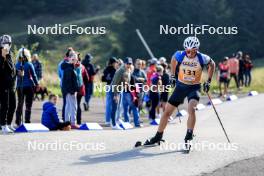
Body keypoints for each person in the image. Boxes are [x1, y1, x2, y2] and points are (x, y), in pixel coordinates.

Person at [143, 36, 215, 146]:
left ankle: (189, 136)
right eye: (187, 51)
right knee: (167, 112)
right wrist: (172, 76)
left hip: (194, 87)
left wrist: (208, 81)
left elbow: (212, 64)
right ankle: (158, 136)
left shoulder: (202, 57)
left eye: (192, 51)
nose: (189, 53)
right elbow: (173, 59)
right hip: (181, 87)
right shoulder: (180, 54)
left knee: (192, 109)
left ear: (196, 49)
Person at [15, 48, 39, 125]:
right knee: (28, 105)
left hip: (19, 86)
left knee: (20, 104)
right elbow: (34, 75)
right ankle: (27, 121)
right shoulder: (29, 64)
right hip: (29, 86)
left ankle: (18, 121)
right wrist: (37, 84)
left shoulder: (16, 64)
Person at [110, 57, 133, 130]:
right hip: (114, 90)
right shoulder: (121, 70)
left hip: (120, 90)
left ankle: (117, 120)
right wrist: (115, 94)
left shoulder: (128, 70)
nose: (129, 65)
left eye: (130, 63)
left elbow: (126, 81)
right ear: (125, 63)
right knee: (114, 107)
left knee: (119, 107)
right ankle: (113, 124)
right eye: (127, 63)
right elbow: (115, 83)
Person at [0, 35, 16, 133]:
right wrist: (2, 57)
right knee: (4, 105)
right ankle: (3, 125)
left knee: (12, 105)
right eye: (4, 43)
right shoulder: (2, 55)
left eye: (8, 43)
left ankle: (9, 124)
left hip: (11, 85)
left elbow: (11, 69)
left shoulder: (9, 54)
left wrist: (17, 71)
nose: (6, 46)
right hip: (2, 84)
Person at [61, 52, 79, 129]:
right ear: (70, 59)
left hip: (68, 90)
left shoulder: (70, 67)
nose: (76, 60)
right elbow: (68, 81)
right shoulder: (69, 68)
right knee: (73, 106)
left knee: (68, 106)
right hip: (70, 90)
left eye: (76, 59)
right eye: (74, 59)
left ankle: (67, 122)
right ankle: (72, 123)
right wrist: (72, 91)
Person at [58, 47, 74, 120]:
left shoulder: (60, 63)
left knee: (65, 102)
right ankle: (69, 119)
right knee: (70, 103)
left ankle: (64, 118)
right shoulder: (72, 64)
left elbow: (59, 75)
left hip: (62, 84)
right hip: (69, 84)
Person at [101, 57, 118, 126]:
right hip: (113, 86)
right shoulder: (114, 70)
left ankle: (107, 120)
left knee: (108, 104)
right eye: (115, 62)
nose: (116, 63)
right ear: (113, 63)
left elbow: (103, 79)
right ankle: (112, 120)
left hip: (107, 86)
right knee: (114, 105)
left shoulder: (105, 69)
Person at [75, 53, 89, 125]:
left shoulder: (73, 66)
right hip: (81, 89)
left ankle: (73, 120)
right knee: (78, 104)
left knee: (74, 104)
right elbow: (87, 79)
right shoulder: (83, 67)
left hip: (74, 88)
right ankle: (79, 121)